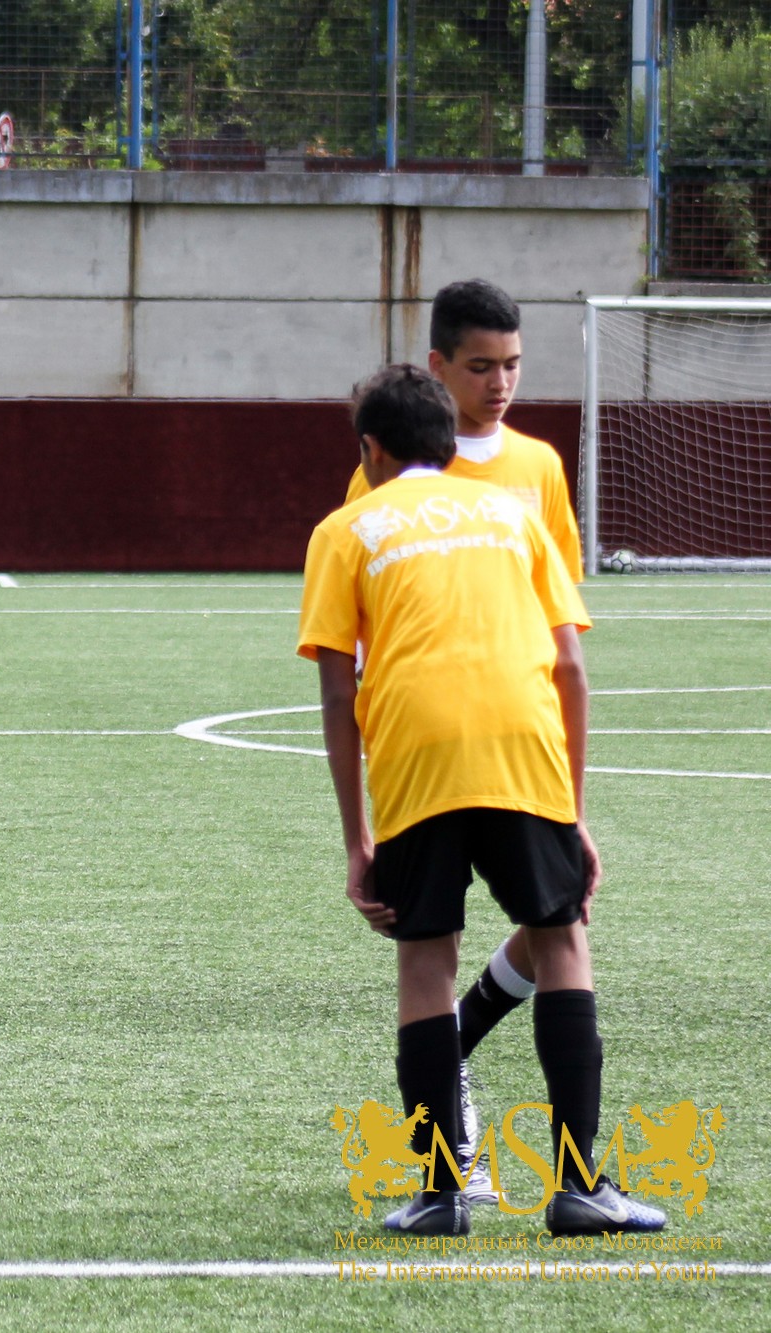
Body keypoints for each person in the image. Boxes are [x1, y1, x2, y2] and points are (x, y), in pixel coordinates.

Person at [299, 364, 663, 1237]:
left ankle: (440, 1194)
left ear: (371, 449)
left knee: (425, 962)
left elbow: (340, 693)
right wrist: (571, 812)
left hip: (417, 755)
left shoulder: (343, 529)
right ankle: (579, 1186)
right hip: (521, 745)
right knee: (561, 941)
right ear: (448, 441)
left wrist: (356, 840)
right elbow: (569, 664)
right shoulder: (513, 514)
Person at [340, 279, 585, 1201]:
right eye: (482, 366)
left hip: (518, 731)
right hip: (431, 740)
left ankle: (460, 1045)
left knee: (549, 924)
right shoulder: (380, 483)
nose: (501, 383)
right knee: (487, 939)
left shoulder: (538, 470)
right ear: (438, 369)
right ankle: (463, 1122)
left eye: (513, 365)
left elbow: (561, 633)